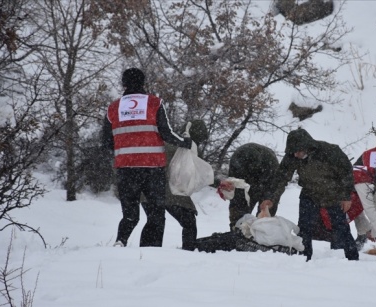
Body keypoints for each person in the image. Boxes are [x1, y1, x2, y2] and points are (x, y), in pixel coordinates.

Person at [102, 68, 192, 247]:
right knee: (156, 215)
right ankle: (151, 252)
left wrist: (127, 147)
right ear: (143, 82)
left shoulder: (113, 108)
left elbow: (107, 142)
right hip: (152, 169)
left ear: (123, 83)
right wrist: (185, 142)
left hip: (125, 169)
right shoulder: (154, 103)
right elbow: (166, 133)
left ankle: (120, 242)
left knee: (130, 215)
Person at [260, 128, 359, 261]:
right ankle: (304, 258)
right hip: (309, 193)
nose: (295, 155)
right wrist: (271, 198)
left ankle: (352, 259)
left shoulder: (330, 151)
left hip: (332, 194)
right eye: (293, 152)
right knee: (304, 227)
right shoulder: (292, 155)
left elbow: (346, 173)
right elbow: (281, 178)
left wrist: (346, 196)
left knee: (341, 227)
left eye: (298, 151)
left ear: (307, 147)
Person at [141, 119, 209, 251]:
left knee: (154, 223)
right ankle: (188, 253)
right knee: (189, 222)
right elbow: (191, 174)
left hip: (147, 190)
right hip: (168, 191)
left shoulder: (168, 143)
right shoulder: (186, 149)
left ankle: (146, 254)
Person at [217, 143, 281, 230]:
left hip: (265, 184)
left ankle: (262, 235)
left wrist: (268, 198)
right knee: (238, 217)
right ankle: (237, 233)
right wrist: (227, 186)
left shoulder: (270, 162)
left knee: (265, 218)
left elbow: (274, 186)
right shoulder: (237, 160)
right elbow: (234, 183)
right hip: (244, 186)